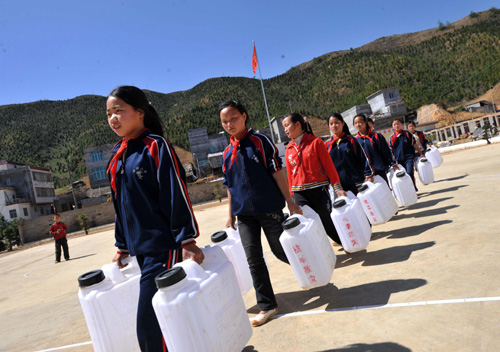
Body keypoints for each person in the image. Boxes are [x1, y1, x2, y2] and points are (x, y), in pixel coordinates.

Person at [106, 85, 204, 352]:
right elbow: (121, 206)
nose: (113, 118)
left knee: (149, 324)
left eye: (119, 111)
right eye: (108, 113)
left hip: (165, 246)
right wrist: (122, 245)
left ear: (140, 112)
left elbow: (175, 193)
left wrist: (187, 240)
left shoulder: (155, 146)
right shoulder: (118, 155)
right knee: (164, 320)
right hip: (141, 250)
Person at [219, 100, 301, 327]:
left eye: (233, 118)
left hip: (269, 209)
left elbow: (277, 172)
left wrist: (290, 202)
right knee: (253, 259)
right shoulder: (227, 153)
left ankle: (310, 264)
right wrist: (230, 215)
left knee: (280, 249)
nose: (229, 124)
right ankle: (267, 305)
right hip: (244, 215)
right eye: (224, 121)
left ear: (244, 116)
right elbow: (230, 187)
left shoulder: (260, 142)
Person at [282, 113, 346, 245]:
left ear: (298, 124)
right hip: (299, 192)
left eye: (287, 125)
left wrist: (337, 187)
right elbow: (290, 174)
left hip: (318, 189)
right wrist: (291, 197)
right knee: (306, 224)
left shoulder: (316, 142)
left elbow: (329, 166)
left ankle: (346, 242)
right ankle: (320, 252)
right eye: (284, 127)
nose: (285, 129)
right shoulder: (288, 149)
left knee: (326, 221)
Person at [326, 113, 374, 195]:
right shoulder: (327, 145)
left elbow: (363, 158)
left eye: (337, 123)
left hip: (356, 183)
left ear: (342, 123)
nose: (334, 126)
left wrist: (368, 175)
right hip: (339, 187)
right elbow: (326, 166)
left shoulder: (351, 141)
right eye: (331, 124)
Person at [354, 114, 398, 185]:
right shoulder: (355, 141)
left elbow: (386, 151)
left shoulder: (376, 136)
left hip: (379, 170)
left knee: (384, 191)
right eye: (355, 123)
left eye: (360, 122)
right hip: (366, 175)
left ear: (365, 122)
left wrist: (393, 164)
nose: (358, 125)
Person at [389, 119, 424, 191]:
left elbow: (414, 144)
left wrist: (421, 153)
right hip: (399, 160)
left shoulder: (407, 134)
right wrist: (393, 162)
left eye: (398, 123)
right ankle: (409, 189)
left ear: (401, 125)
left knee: (409, 172)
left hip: (409, 157)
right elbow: (391, 150)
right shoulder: (392, 138)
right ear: (392, 127)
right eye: (394, 124)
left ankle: (413, 187)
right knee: (403, 175)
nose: (396, 125)